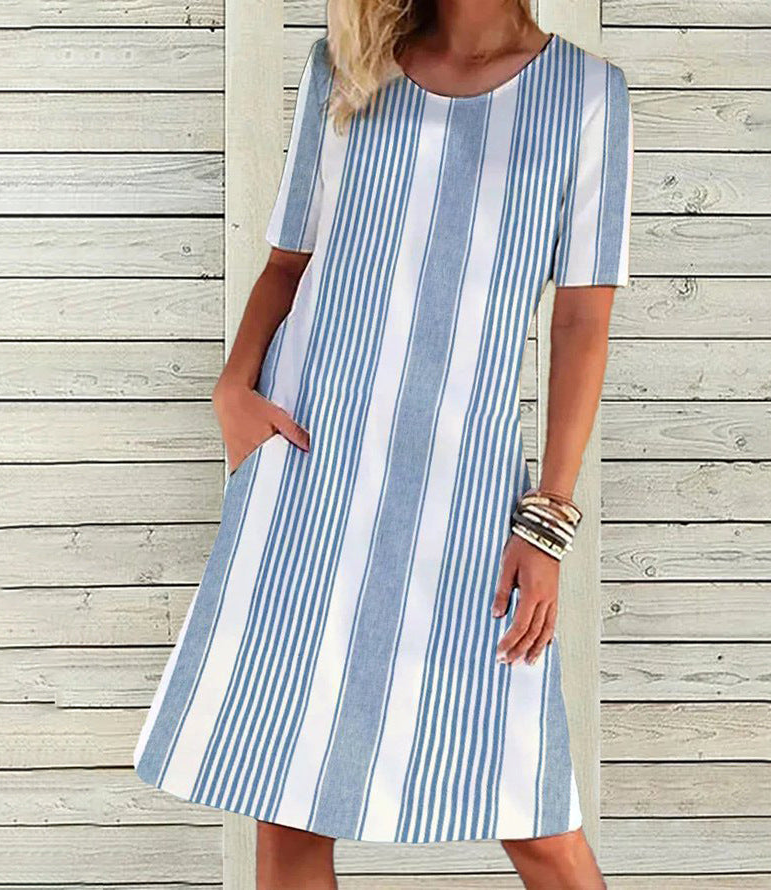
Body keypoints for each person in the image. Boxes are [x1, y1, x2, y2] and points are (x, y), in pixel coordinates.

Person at [133, 0, 633, 887]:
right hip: (309, 464)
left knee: (530, 805)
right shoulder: (347, 66)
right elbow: (289, 261)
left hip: (463, 491)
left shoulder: (589, 94)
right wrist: (233, 389)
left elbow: (581, 324)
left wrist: (547, 519)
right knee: (287, 795)